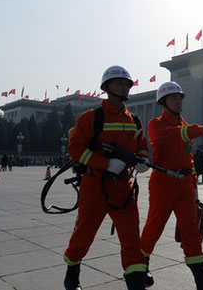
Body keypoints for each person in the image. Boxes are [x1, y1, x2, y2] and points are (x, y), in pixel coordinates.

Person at [63, 65, 150, 290]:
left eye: (126, 83)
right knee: (84, 234)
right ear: (106, 87)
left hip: (123, 187)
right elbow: (75, 150)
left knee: (132, 238)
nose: (123, 86)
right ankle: (72, 275)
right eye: (119, 83)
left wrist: (141, 160)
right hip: (95, 185)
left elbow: (142, 147)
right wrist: (105, 163)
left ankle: (136, 284)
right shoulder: (92, 117)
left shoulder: (135, 120)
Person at [140, 81, 203, 290]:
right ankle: (140, 267)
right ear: (163, 102)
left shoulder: (183, 124)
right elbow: (177, 134)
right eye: (174, 98)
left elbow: (188, 158)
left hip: (185, 184)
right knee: (154, 227)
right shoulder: (156, 124)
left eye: (180, 98)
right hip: (164, 183)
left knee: (191, 231)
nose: (179, 101)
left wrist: (194, 186)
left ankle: (202, 279)